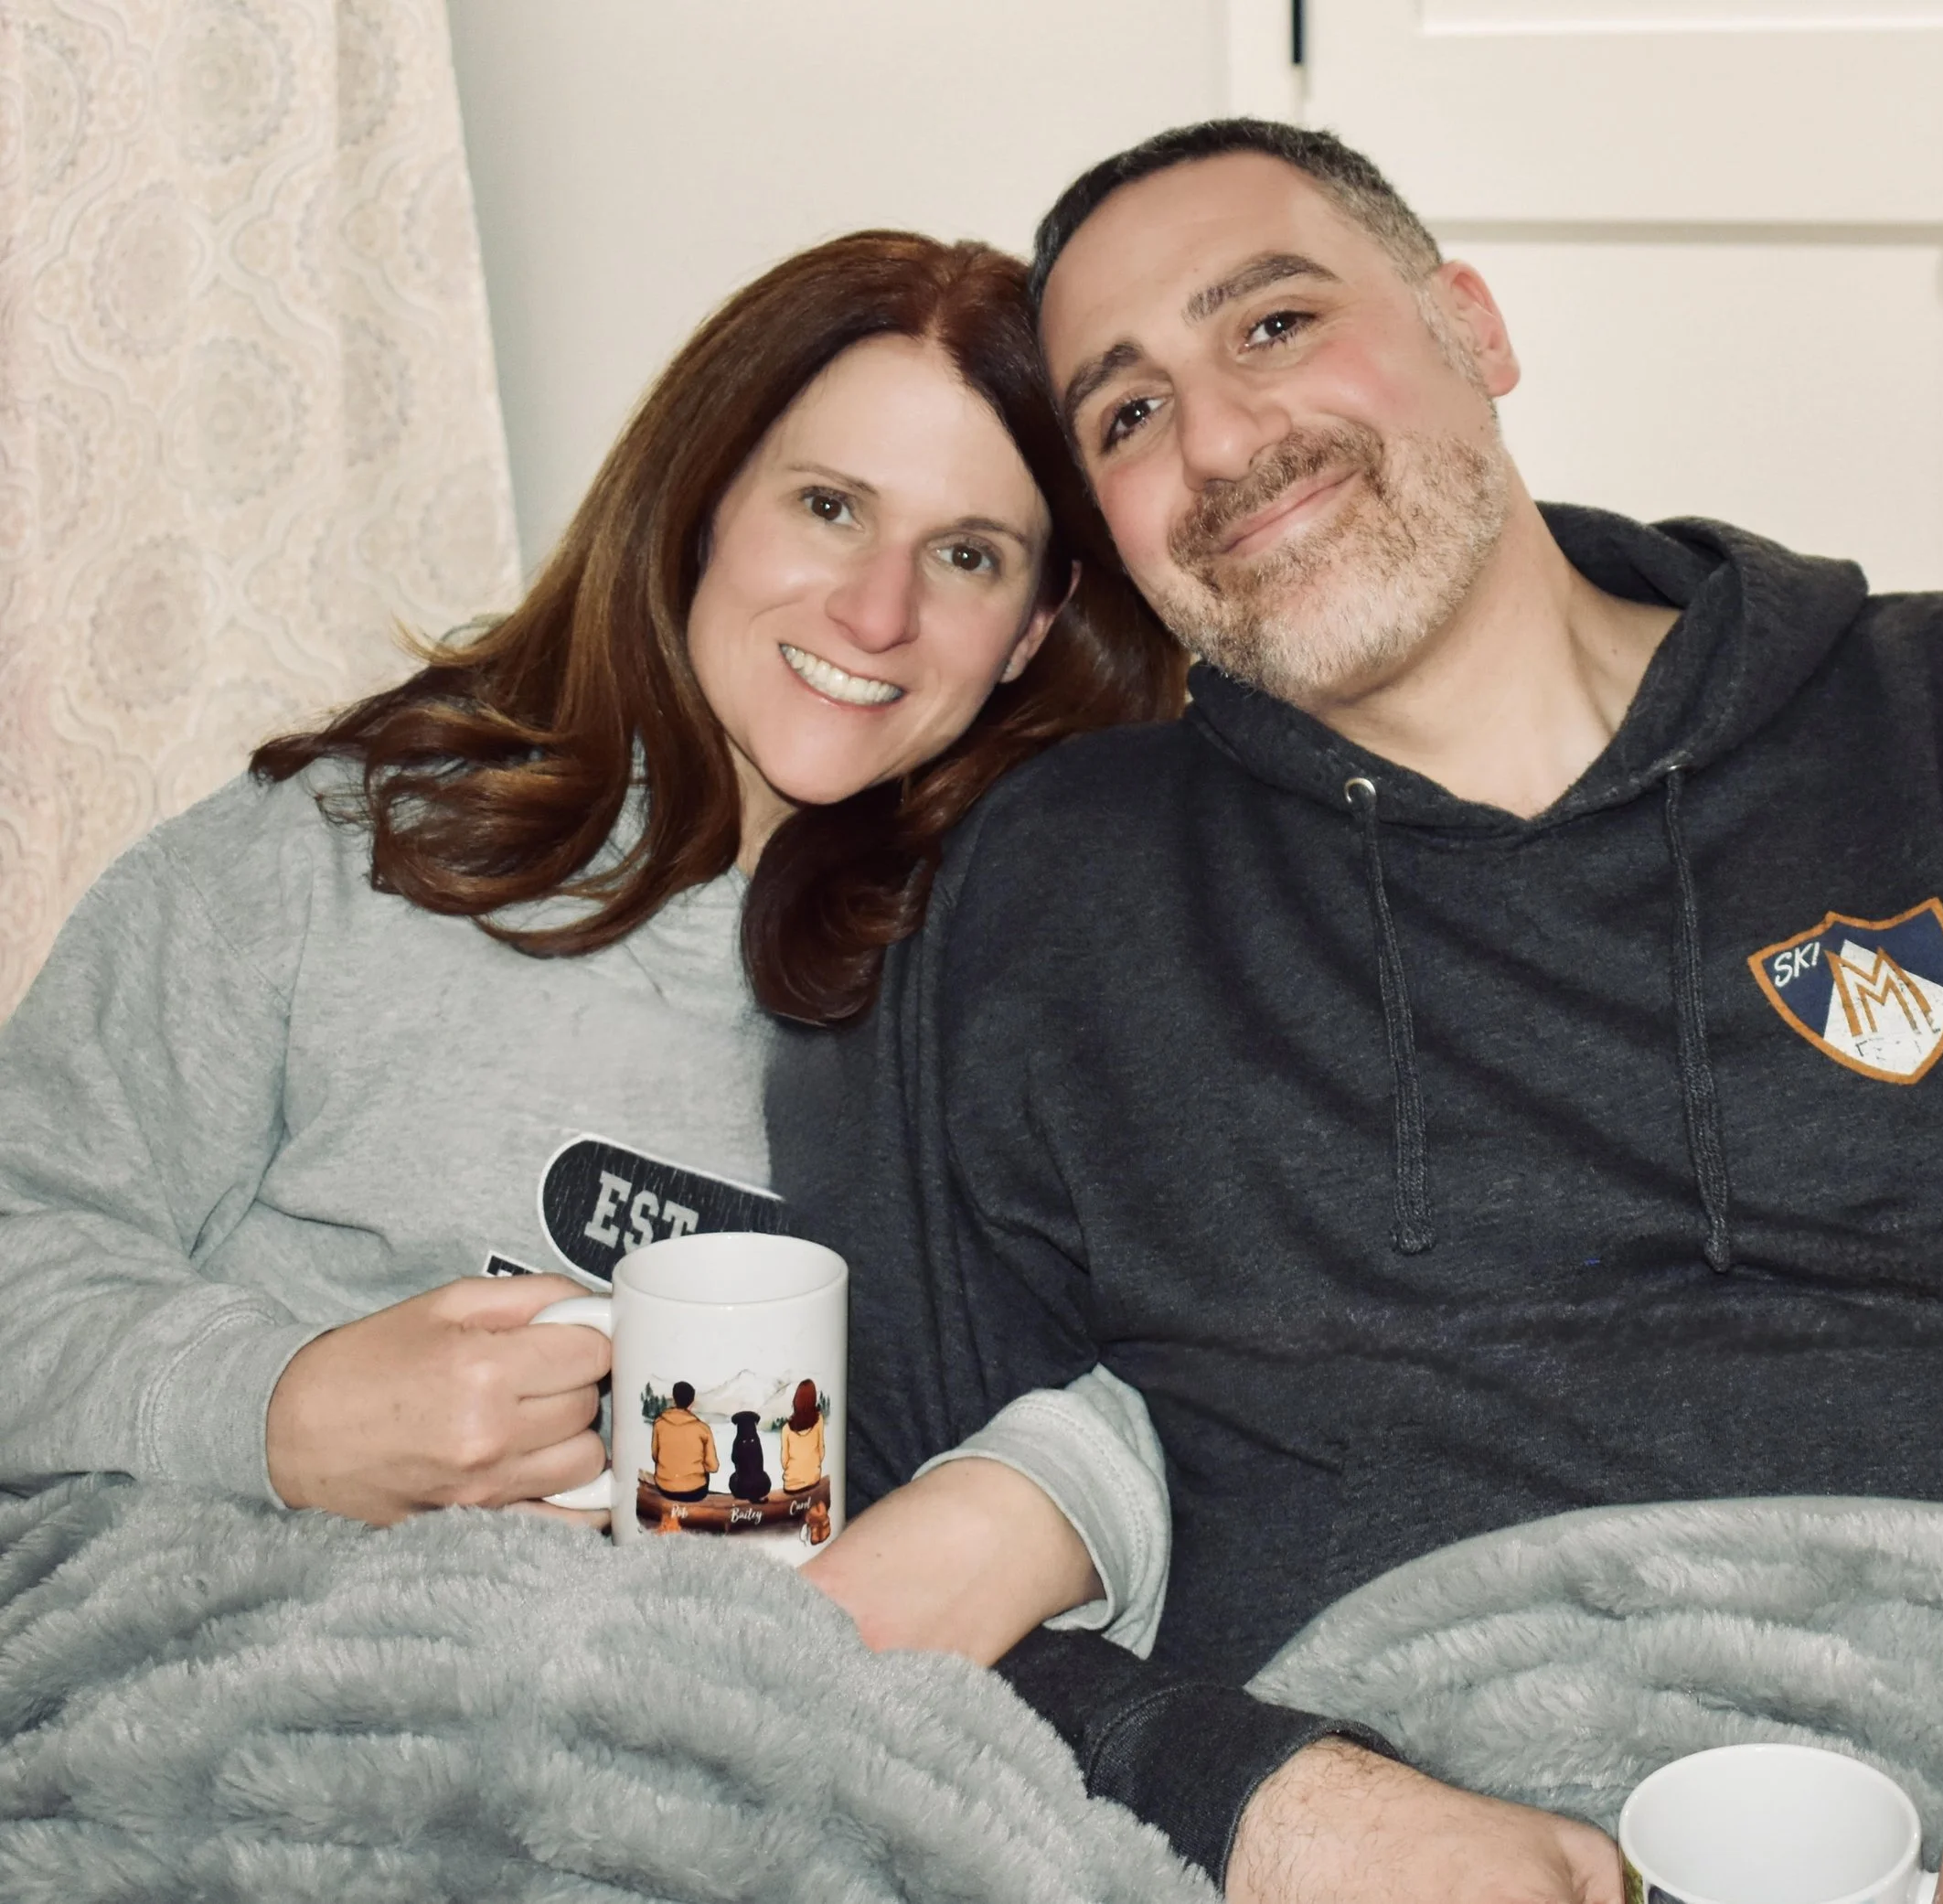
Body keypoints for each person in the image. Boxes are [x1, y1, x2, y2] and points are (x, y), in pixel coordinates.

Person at [770, 123, 1943, 1904]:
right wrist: (1252, 1804)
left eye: (1266, 325)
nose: (1223, 444)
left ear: (1469, 326)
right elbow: (882, 1571)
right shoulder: (1041, 900)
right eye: (1123, 415)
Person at [0, 230, 1186, 1667]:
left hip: (712, 1765)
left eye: (966, 555)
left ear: (1034, 624)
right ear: (704, 507)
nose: (879, 613)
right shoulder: (338, 848)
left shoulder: (1055, 980)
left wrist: (1048, 1502)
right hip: (236, 1684)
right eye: (826, 506)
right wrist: (283, 1406)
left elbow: (1253, 1370)